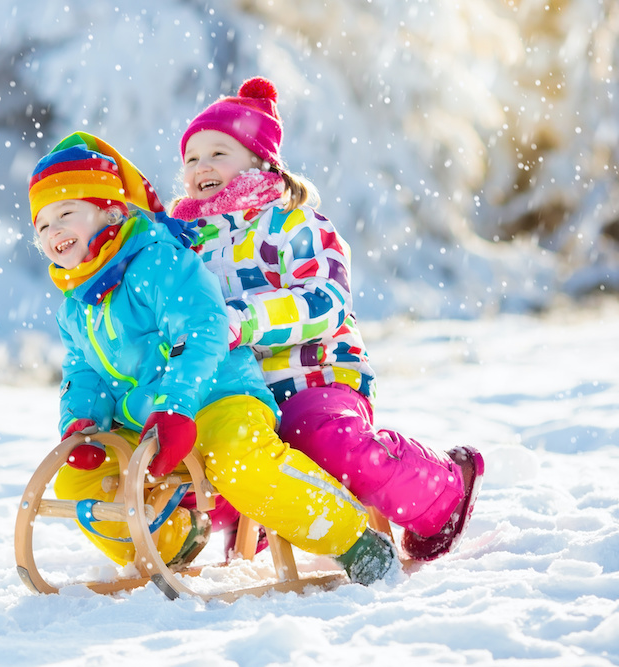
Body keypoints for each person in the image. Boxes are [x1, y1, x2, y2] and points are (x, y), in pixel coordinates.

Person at [30, 131, 395, 584]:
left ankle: (352, 539)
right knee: (77, 481)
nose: (54, 232)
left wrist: (177, 406)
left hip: (219, 395)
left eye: (66, 213)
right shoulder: (75, 305)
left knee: (240, 461)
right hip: (147, 416)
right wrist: (82, 419)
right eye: (42, 226)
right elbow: (82, 371)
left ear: (111, 211)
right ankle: (174, 540)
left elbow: (202, 333)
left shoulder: (158, 261)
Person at [170, 77, 485, 562]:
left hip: (315, 379)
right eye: (191, 159)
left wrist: (245, 322)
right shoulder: (188, 245)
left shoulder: (292, 223)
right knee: (201, 459)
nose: (201, 167)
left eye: (217, 153)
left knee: (320, 439)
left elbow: (326, 300)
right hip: (239, 396)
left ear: (258, 160)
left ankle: (441, 493)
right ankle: (246, 518)